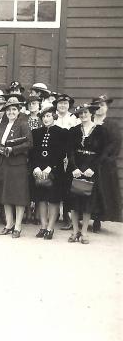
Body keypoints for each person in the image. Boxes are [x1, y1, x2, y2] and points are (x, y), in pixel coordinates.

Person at [0, 99, 33, 238]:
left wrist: (12, 149)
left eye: (14, 110)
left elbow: (29, 143)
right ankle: (9, 224)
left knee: (18, 196)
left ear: (18, 111)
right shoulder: (3, 125)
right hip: (4, 164)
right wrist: (0, 149)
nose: (11, 112)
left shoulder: (22, 124)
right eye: (8, 110)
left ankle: (18, 226)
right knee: (6, 195)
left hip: (17, 165)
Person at [29, 106, 69, 240]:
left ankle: (50, 228)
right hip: (39, 171)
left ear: (54, 117)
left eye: (49, 116)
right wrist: (35, 167)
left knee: (53, 200)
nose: (46, 119)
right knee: (41, 199)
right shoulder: (36, 132)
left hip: (55, 171)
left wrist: (50, 167)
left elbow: (61, 152)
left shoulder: (61, 132)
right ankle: (43, 226)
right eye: (44, 117)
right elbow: (32, 152)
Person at [67, 103, 104, 244]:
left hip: (91, 169)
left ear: (91, 114)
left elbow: (103, 153)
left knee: (88, 201)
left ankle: (84, 233)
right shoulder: (74, 130)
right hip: (77, 168)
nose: (83, 115)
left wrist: (93, 168)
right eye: (80, 113)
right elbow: (70, 151)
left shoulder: (100, 131)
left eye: (86, 113)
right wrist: (73, 168)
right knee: (74, 201)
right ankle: (75, 231)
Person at [90, 95, 121, 228]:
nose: (99, 108)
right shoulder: (88, 122)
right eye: (97, 106)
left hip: (104, 165)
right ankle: (85, 217)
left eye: (102, 105)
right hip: (88, 162)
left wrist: (103, 158)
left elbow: (115, 143)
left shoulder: (112, 125)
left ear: (107, 107)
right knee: (87, 190)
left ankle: (98, 219)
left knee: (103, 190)